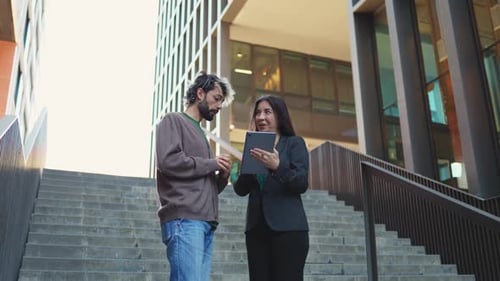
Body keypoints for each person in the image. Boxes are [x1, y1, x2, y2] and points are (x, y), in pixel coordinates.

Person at [155, 71, 235, 281]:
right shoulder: (173, 120)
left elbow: (205, 187)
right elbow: (168, 162)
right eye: (216, 99)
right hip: (185, 220)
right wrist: (211, 163)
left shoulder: (201, 134)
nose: (219, 106)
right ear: (200, 93)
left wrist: (222, 176)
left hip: (204, 222)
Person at [233, 95, 310, 281]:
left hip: (288, 230)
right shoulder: (253, 147)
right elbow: (240, 190)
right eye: (258, 113)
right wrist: (247, 165)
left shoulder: (294, 143)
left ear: (279, 115)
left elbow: (301, 183)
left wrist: (278, 166)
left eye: (267, 112)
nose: (261, 117)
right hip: (256, 230)